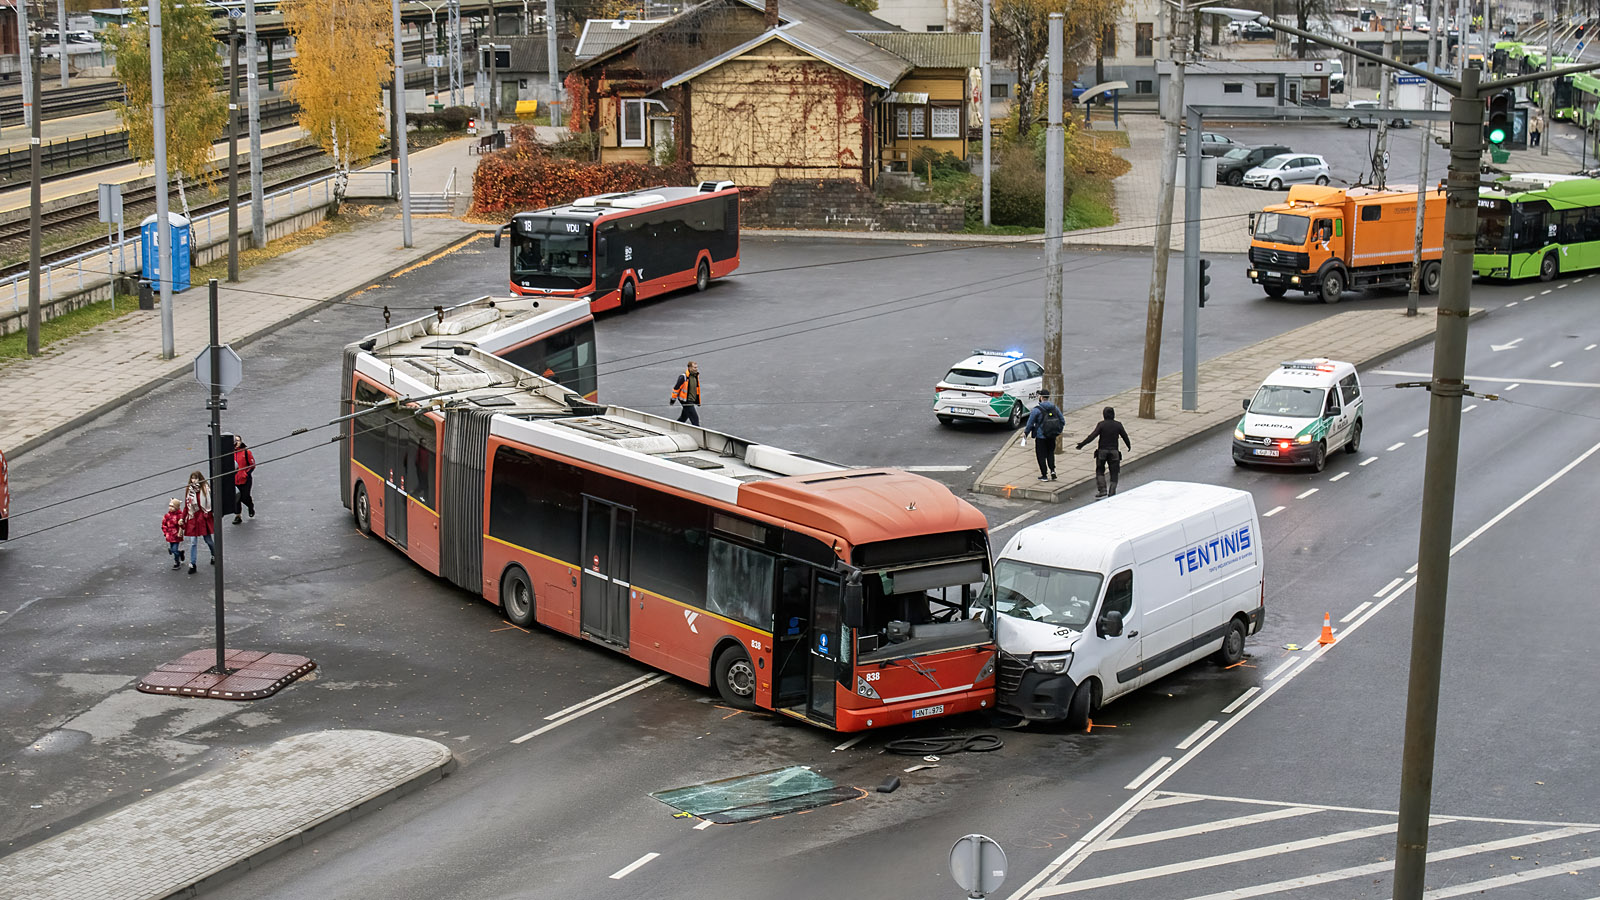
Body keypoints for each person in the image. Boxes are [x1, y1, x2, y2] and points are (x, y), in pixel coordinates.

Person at [1075, 406, 1132, 498]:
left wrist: (1082, 444)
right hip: (1114, 452)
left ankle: (1102, 490)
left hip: (1102, 452)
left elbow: (1092, 436)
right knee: (1114, 473)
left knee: (1100, 471)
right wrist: (1129, 445)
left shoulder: (1101, 424)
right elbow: (1125, 436)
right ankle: (1112, 492)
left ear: (1104, 415)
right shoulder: (1118, 425)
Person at [1022, 389, 1066, 482]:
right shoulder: (1054, 408)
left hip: (1041, 437)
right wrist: (1058, 431)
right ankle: (1053, 471)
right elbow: (1062, 421)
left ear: (1041, 397)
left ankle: (1044, 475)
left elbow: (1030, 423)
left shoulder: (1037, 410)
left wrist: (1026, 433)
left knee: (1041, 456)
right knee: (1050, 453)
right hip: (1052, 436)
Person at [180, 471, 215, 574]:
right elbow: (187, 506)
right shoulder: (189, 490)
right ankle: (192, 564)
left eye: (195, 478)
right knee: (193, 542)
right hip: (193, 518)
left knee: (208, 540)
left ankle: (214, 554)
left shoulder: (205, 489)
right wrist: (183, 517)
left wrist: (207, 514)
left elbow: (209, 504)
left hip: (203, 517)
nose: (193, 480)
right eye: (192, 478)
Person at [232, 436, 257, 524]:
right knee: (236, 498)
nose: (236, 442)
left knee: (244, 497)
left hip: (245, 479)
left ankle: (250, 506)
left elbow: (252, 465)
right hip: (234, 480)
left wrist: (246, 474)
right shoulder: (229, 453)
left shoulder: (246, 452)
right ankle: (238, 516)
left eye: (238, 440)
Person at [670, 361, 702, 426]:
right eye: (694, 367)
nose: (696, 369)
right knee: (695, 419)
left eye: (696, 367)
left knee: (683, 418)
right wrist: (673, 399)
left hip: (691, 401)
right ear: (689, 368)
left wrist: (697, 401)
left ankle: (674, 427)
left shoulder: (695, 376)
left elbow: (696, 390)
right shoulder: (683, 377)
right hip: (686, 401)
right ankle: (698, 434)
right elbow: (676, 389)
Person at [161, 499, 185, 570]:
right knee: (172, 549)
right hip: (169, 536)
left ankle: (177, 562)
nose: (170, 508)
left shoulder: (179, 516)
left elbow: (183, 526)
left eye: (173, 506)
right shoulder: (167, 516)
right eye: (170, 506)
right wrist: (165, 532)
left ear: (176, 507)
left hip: (176, 536)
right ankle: (180, 553)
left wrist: (180, 529)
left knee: (174, 550)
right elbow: (164, 525)